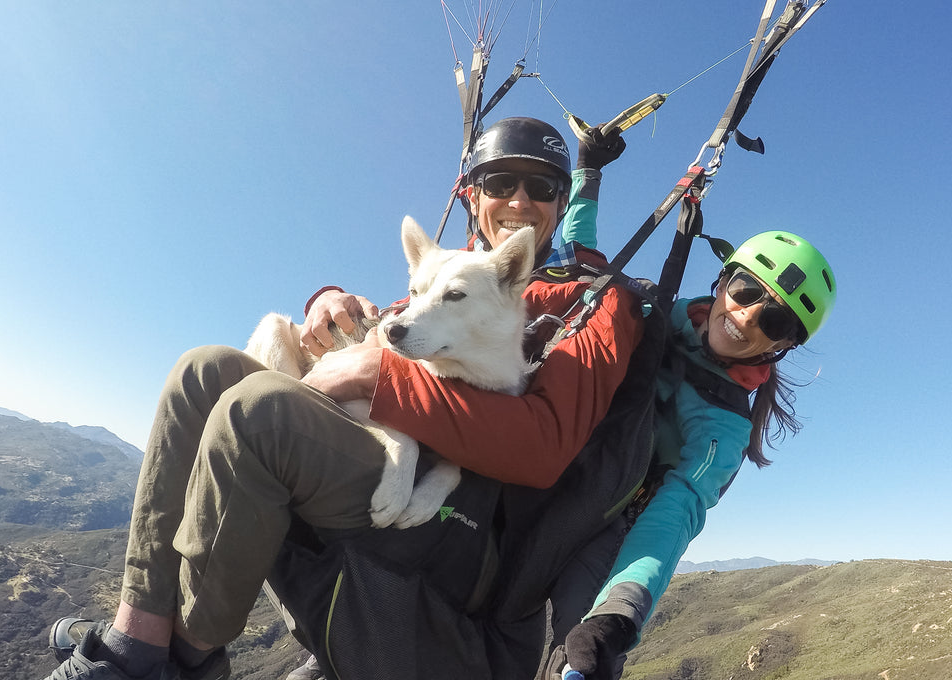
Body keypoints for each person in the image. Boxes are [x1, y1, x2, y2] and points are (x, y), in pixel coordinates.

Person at [37, 116, 645, 680]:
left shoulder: (599, 300)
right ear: (472, 194)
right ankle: (137, 636)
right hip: (382, 445)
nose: (518, 201)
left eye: (540, 187)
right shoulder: (446, 272)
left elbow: (544, 446)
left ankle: (190, 656)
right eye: (500, 183)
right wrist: (330, 303)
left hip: (465, 522)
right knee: (205, 372)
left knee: (260, 414)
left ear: (561, 203)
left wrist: (378, 376)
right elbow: (390, 331)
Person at [552, 223, 839, 679]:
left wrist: (616, 615)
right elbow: (574, 258)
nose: (748, 316)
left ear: (783, 345)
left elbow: (677, 510)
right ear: (722, 282)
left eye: (775, 321)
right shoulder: (649, 310)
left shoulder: (724, 426)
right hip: (551, 469)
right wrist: (585, 182)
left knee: (576, 654)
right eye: (745, 290)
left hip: (611, 524)